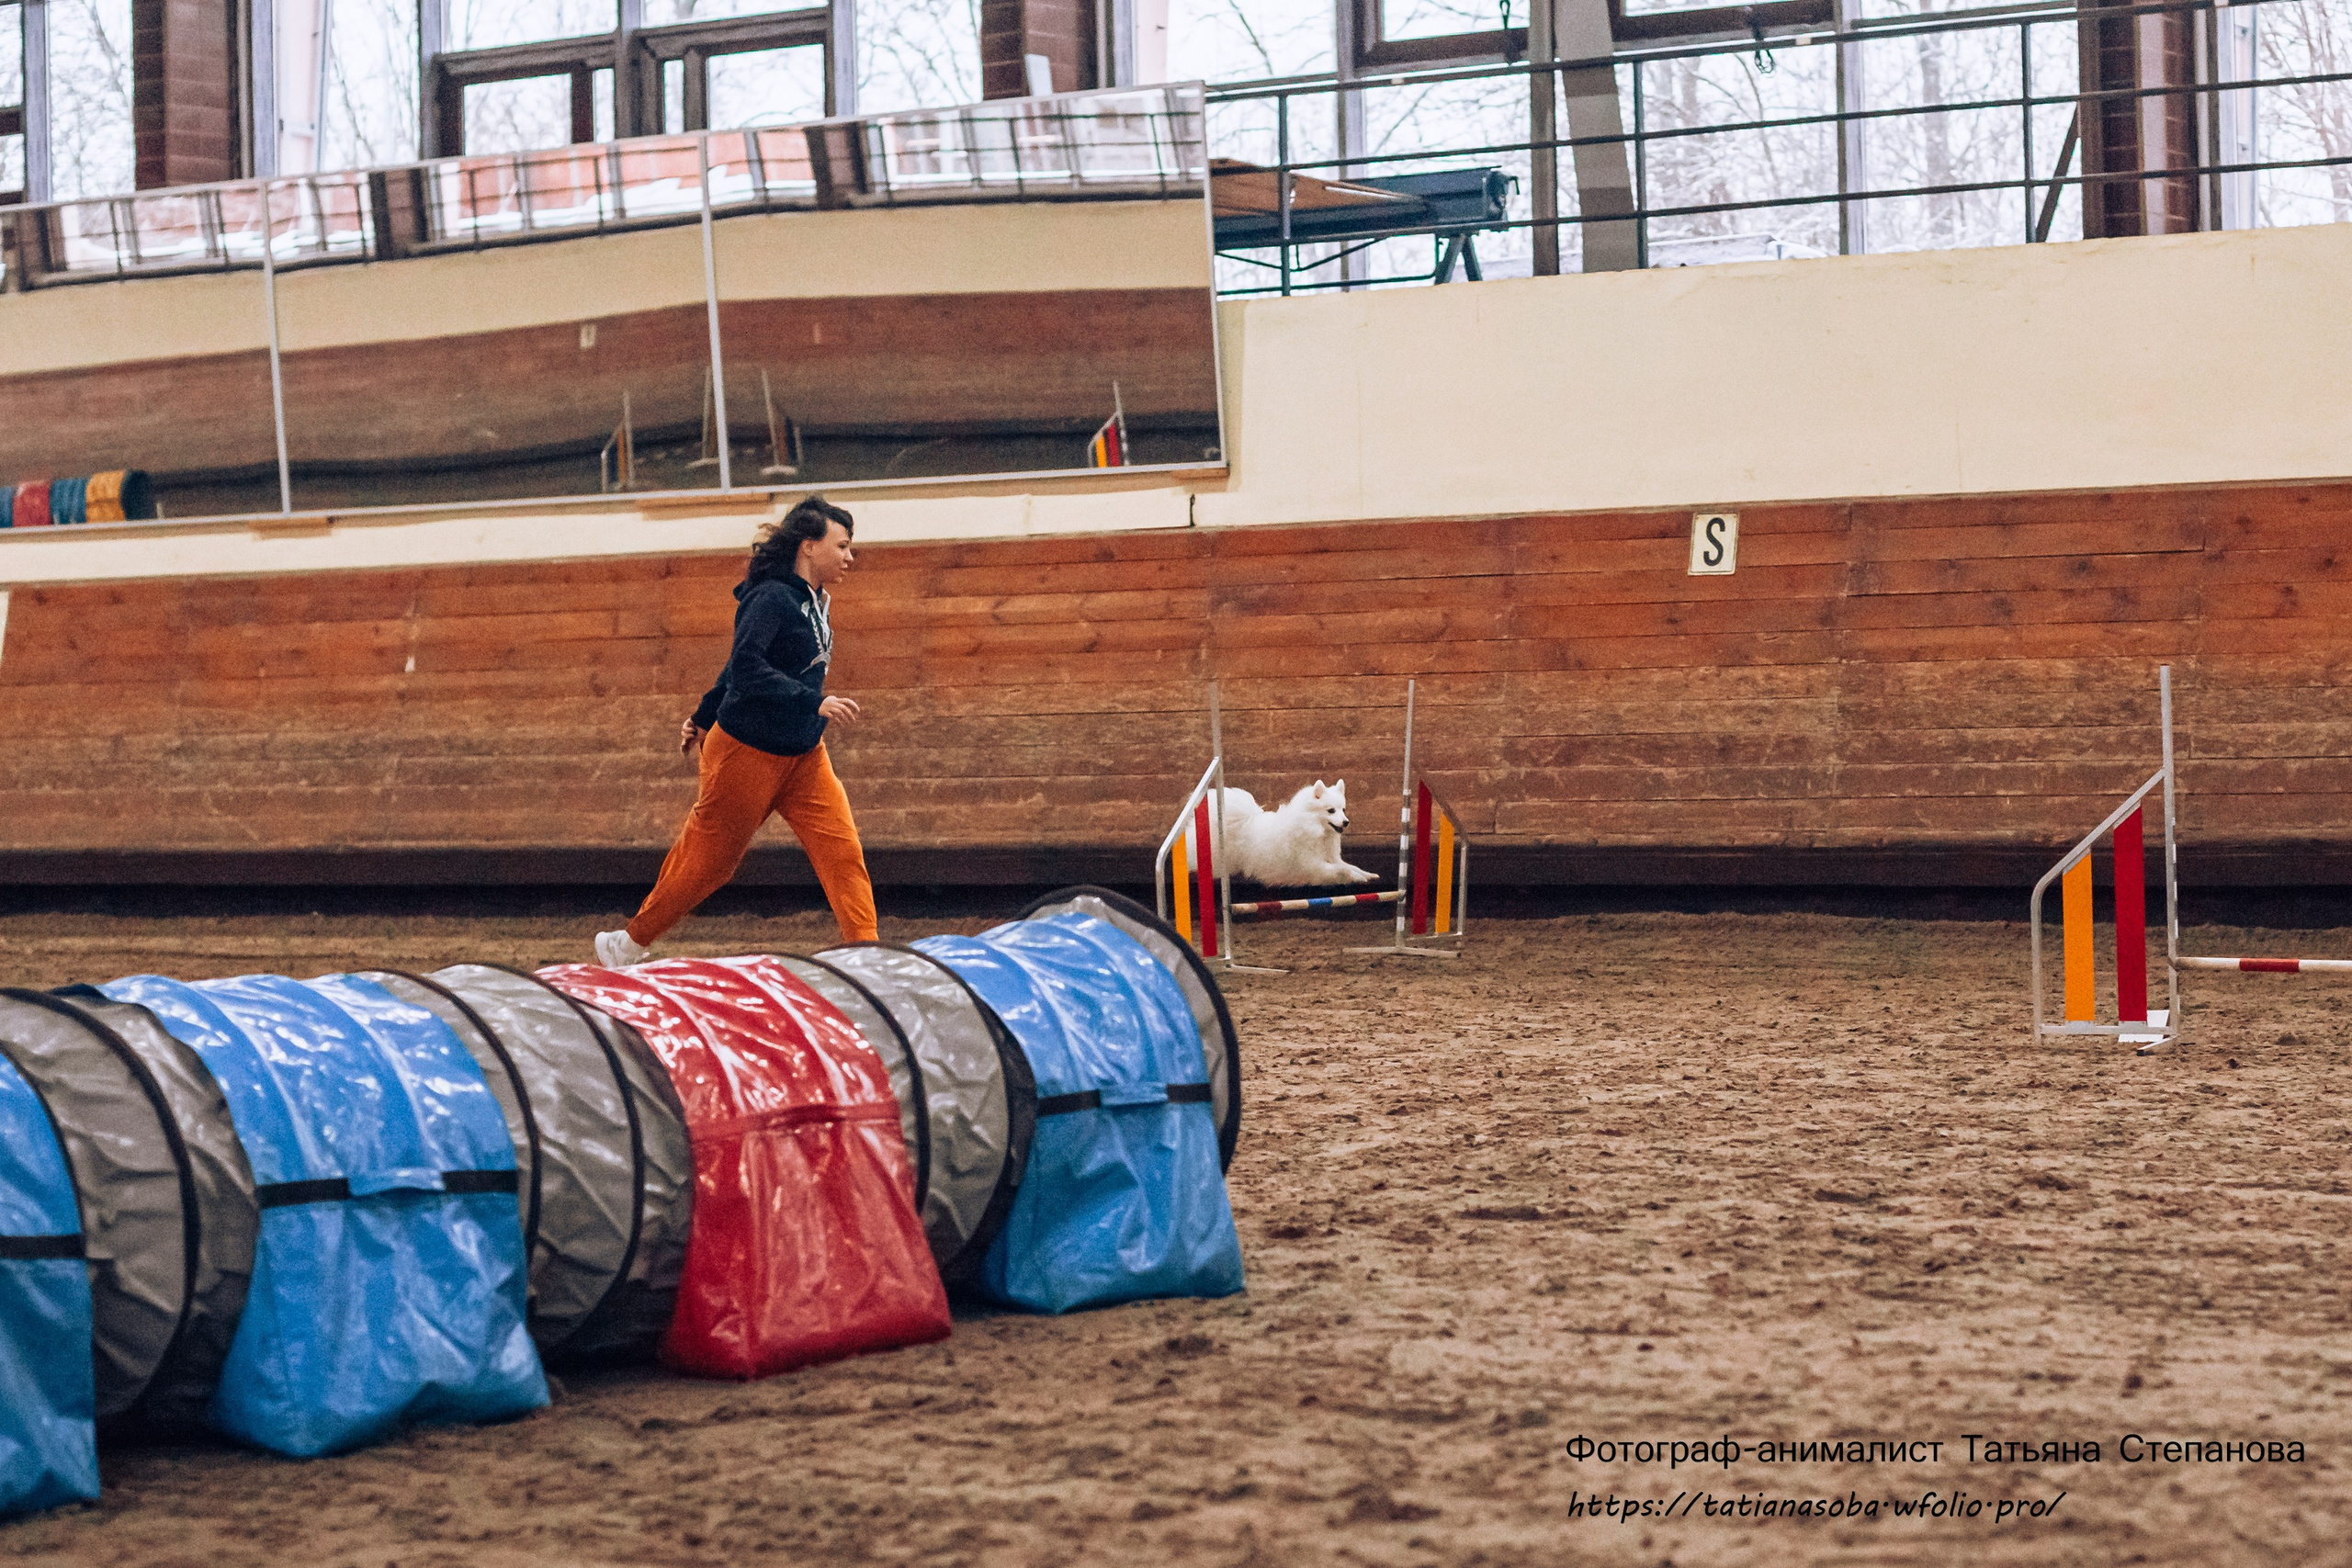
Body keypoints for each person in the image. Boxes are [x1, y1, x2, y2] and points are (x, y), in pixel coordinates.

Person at [595, 496, 877, 965]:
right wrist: (815, 700)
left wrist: (703, 713)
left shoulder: (815, 600)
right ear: (809, 546)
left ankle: (867, 956)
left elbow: (733, 667)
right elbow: (745, 667)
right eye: (843, 546)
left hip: (804, 754)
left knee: (842, 851)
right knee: (711, 864)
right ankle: (627, 944)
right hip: (746, 753)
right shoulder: (770, 597)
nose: (850, 557)